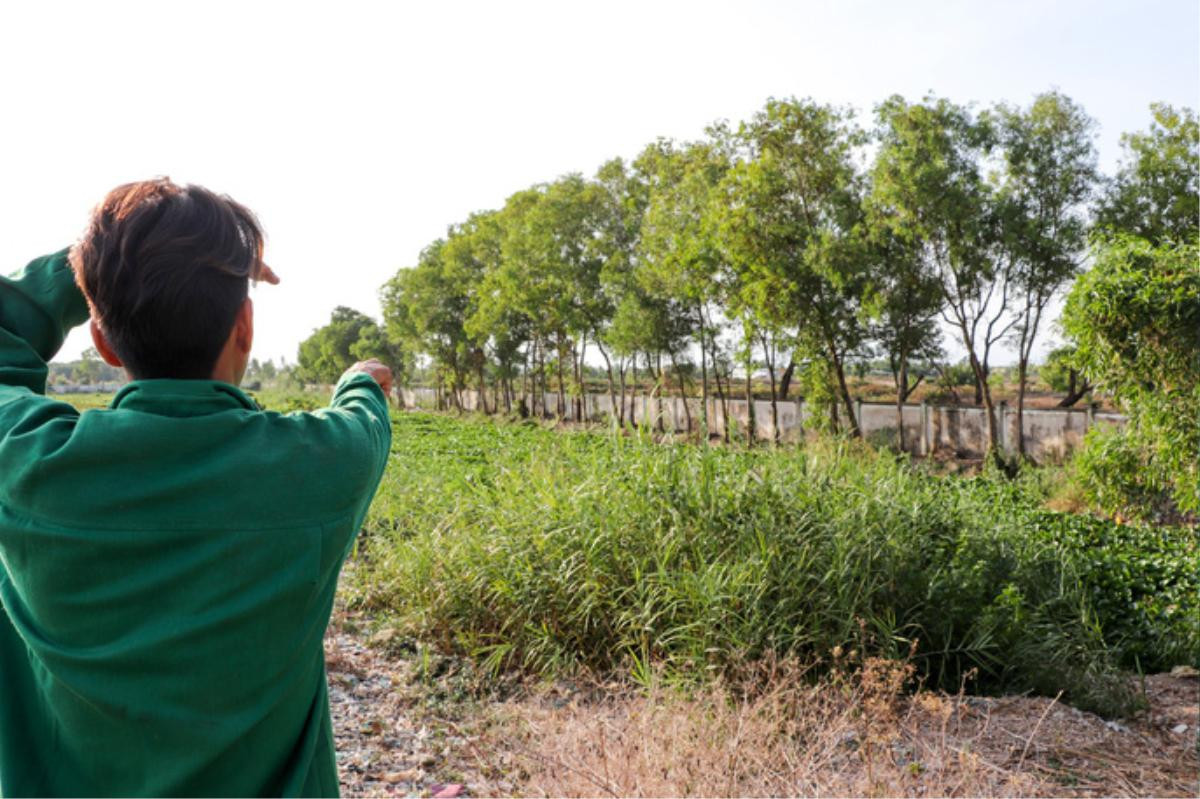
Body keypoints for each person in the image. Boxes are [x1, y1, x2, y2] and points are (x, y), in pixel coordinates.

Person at [0, 178, 393, 796]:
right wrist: (360, 380)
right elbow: (364, 411)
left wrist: (93, 270)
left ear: (100, 340)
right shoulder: (320, 466)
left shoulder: (27, 462)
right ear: (246, 327)